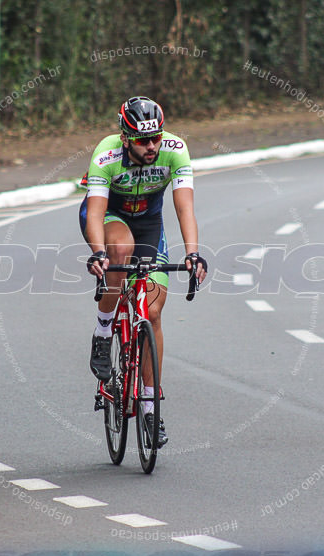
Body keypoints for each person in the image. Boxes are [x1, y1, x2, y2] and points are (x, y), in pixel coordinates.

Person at [80, 96, 207, 447]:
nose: (151, 147)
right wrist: (99, 254)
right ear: (125, 137)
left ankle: (151, 407)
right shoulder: (106, 154)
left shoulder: (175, 150)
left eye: (155, 138)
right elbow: (93, 213)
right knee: (121, 250)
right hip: (111, 218)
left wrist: (193, 255)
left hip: (150, 223)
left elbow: (184, 208)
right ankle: (104, 333)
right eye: (142, 140)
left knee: (151, 312)